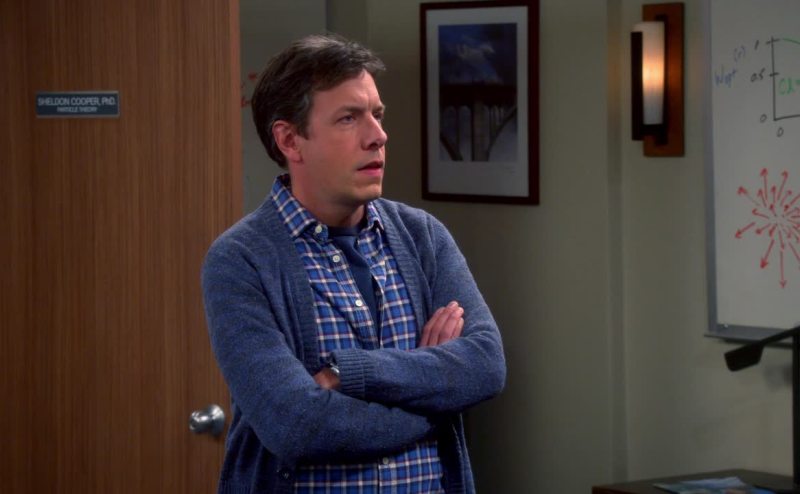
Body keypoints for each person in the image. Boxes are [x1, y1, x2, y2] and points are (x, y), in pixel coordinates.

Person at [202, 34, 505, 494]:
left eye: (377, 115)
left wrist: (350, 374)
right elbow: (298, 424)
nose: (378, 136)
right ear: (290, 140)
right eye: (349, 118)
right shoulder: (241, 260)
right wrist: (435, 396)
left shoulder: (422, 236)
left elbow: (484, 365)